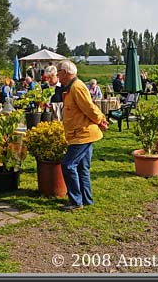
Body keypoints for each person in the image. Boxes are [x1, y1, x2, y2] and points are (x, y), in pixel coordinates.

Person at [56, 60, 108, 211]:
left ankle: (76, 201)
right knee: (82, 168)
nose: (57, 75)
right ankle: (87, 200)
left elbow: (90, 108)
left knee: (68, 165)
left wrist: (101, 120)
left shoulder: (77, 87)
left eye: (58, 72)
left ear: (65, 72)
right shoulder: (71, 87)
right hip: (81, 134)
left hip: (83, 134)